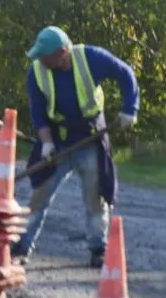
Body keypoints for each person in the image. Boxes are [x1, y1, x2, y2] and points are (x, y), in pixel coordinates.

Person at [11, 26, 138, 269]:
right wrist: (46, 142)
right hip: (57, 140)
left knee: (95, 197)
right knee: (39, 194)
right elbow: (37, 112)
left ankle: (98, 249)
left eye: (43, 55)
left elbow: (125, 74)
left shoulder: (91, 58)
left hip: (90, 137)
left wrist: (129, 109)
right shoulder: (36, 72)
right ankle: (22, 246)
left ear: (61, 52)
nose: (39, 60)